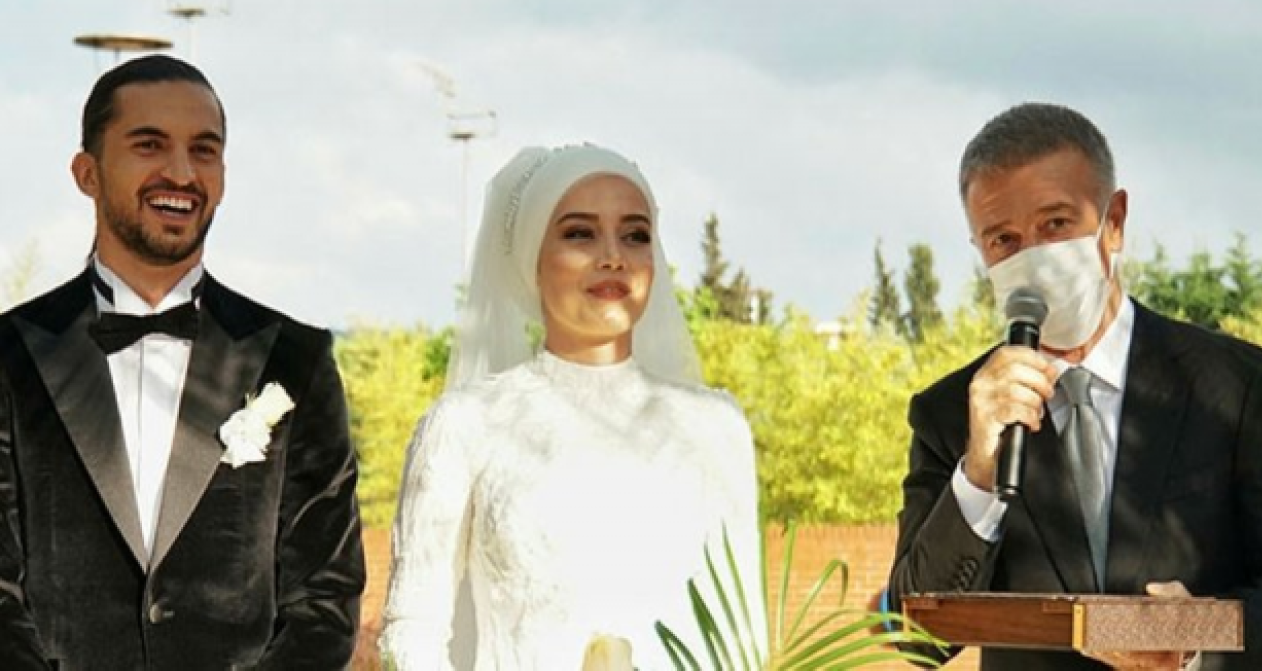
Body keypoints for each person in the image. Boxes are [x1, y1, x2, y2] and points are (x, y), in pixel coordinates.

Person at [0, 55, 365, 669]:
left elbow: (324, 599)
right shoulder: (11, 356)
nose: (181, 172)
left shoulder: (295, 359)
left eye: (204, 150)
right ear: (87, 173)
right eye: (149, 145)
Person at [887, 103, 1262, 670]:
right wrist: (978, 474)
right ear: (979, 250)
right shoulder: (952, 414)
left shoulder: (1236, 387)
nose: (1033, 257)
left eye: (1055, 224)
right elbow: (918, 639)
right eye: (1004, 239)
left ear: (1113, 222)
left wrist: (1198, 642)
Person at [379, 144, 765, 669]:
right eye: (580, 234)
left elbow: (743, 635)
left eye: (635, 235)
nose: (613, 256)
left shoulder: (717, 427)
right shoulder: (465, 425)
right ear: (532, 258)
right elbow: (413, 629)